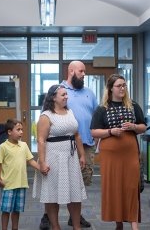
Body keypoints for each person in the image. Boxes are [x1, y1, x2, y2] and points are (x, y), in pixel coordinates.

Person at [39, 60, 98, 229]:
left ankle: (75, 218)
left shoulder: (89, 92)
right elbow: (44, 133)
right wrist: (42, 160)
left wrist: (96, 140)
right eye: (81, 71)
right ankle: (48, 217)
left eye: (84, 71)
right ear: (71, 71)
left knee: (79, 184)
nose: (84, 74)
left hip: (84, 144)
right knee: (54, 185)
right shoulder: (60, 90)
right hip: (58, 149)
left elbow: (95, 115)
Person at [90, 74, 147, 230]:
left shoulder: (133, 105)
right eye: (119, 86)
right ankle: (119, 223)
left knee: (131, 186)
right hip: (110, 155)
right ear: (110, 89)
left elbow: (143, 126)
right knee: (115, 187)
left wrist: (134, 127)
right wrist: (110, 131)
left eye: (124, 85)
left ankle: (134, 223)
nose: (122, 88)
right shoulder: (102, 109)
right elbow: (94, 132)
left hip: (130, 152)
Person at [33, 84, 87, 230]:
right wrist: (42, 163)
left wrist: (82, 154)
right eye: (63, 95)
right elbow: (41, 140)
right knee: (52, 194)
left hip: (71, 157)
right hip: (53, 158)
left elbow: (77, 135)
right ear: (53, 98)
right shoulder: (46, 116)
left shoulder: (69, 112)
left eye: (66, 94)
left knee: (75, 192)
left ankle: (77, 226)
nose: (66, 97)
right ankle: (56, 227)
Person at [0, 119, 40, 230]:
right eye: (18, 130)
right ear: (9, 132)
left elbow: (31, 161)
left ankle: (15, 228)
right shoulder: (3, 147)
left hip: (21, 184)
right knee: (6, 210)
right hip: (8, 185)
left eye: (22, 130)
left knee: (16, 209)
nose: (21, 132)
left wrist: (41, 168)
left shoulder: (24, 145)